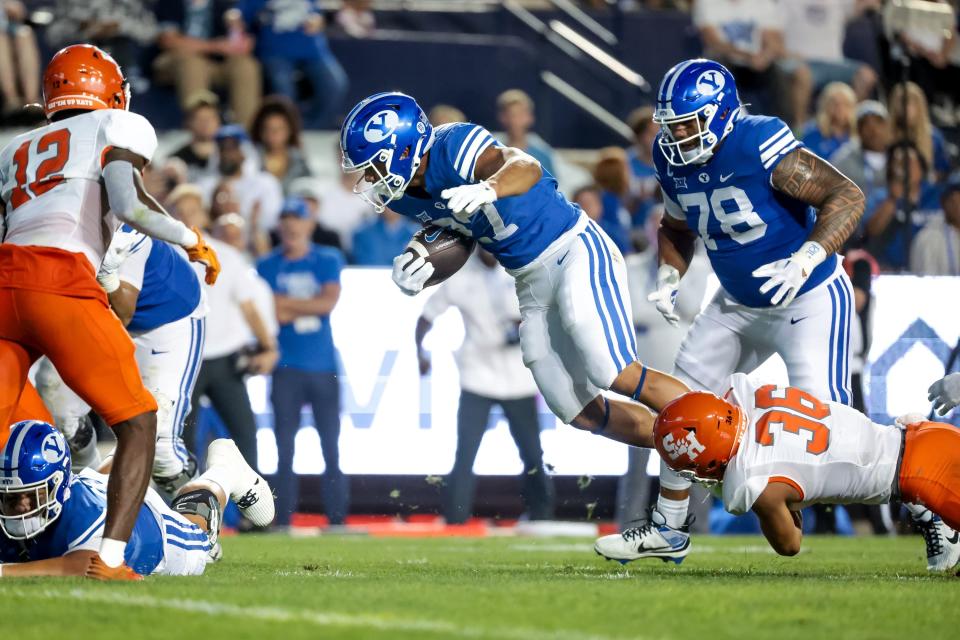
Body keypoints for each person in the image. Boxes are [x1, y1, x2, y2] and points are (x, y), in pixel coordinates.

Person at [340, 92, 690, 493]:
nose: (368, 178)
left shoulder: (452, 145)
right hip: (530, 280)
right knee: (577, 410)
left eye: (373, 165)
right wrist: (419, 259)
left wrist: (489, 188)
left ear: (401, 148)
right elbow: (459, 230)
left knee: (612, 370)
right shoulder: (402, 197)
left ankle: (725, 435)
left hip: (572, 247)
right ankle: (688, 450)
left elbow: (525, 165)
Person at [0, 45, 220, 580]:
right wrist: (191, 238)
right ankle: (112, 558)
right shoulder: (118, 124)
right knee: (137, 421)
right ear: (113, 92)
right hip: (60, 283)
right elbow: (128, 202)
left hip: (5, 285)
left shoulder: (13, 146)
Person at [638, 58, 864, 562]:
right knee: (681, 404)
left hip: (806, 297)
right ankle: (669, 526)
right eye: (670, 125)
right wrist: (669, 273)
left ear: (719, 115)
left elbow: (846, 195)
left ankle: (928, 509)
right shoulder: (670, 156)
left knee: (830, 431)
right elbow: (676, 227)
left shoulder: (757, 141)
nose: (675, 135)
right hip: (737, 301)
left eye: (686, 123)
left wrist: (808, 257)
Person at [597, 374, 960, 571]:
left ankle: (931, 513)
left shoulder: (755, 479)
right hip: (915, 435)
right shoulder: (751, 397)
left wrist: (776, 498)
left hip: (923, 474)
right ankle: (929, 515)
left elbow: (789, 545)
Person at [36, 223, 209, 500]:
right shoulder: (46, 222)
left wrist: (105, 273)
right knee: (60, 410)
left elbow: (123, 309)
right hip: (95, 316)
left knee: (160, 444)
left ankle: (200, 521)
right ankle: (85, 494)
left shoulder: (123, 230)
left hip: (164, 321)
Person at [0, 420, 274, 578]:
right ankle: (140, 440)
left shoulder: (85, 516)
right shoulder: (37, 499)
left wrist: (5, 572)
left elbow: (87, 565)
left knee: (197, 537)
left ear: (57, 485)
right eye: (10, 497)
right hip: (93, 484)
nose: (20, 505)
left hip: (148, 529)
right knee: (103, 478)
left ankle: (224, 470)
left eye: (31, 495)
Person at [416, 249, 555, 524]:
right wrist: (419, 352)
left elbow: (547, 313)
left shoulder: (522, 269)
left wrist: (526, 326)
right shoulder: (460, 276)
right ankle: (455, 519)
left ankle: (542, 517)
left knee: (532, 453)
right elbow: (426, 316)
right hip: (477, 376)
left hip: (519, 377)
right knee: (466, 452)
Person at [171, 185, 278, 471]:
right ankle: (184, 508)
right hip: (181, 361)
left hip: (223, 359)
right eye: (179, 212)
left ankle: (252, 509)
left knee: (244, 432)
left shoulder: (227, 255)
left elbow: (249, 306)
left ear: (204, 214)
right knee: (180, 439)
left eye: (192, 211)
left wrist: (269, 346)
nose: (186, 217)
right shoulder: (162, 254)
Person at [257, 197, 347, 527]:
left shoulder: (328, 257)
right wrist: (303, 304)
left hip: (322, 367)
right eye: (287, 220)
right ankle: (282, 519)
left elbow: (327, 303)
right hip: (286, 368)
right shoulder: (267, 264)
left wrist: (284, 304)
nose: (292, 226)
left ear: (310, 224)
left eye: (298, 220)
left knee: (331, 447)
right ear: (280, 226)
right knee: (283, 449)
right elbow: (270, 311)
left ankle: (337, 519)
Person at [691, 0, 804, 127]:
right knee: (717, 67)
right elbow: (713, 42)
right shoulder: (707, 3)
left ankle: (786, 128)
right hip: (726, 61)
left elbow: (770, 39)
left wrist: (765, 57)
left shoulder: (762, 4)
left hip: (756, 62)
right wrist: (747, 56)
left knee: (780, 72)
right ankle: (720, 125)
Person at [239, 0, 348, 128]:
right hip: (275, 52)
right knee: (284, 91)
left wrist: (318, 20)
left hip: (312, 51)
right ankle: (287, 131)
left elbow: (316, 14)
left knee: (335, 84)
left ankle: (309, 128)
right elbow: (242, 17)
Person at [153, 1, 262, 127]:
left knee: (246, 66)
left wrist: (237, 33)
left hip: (216, 63)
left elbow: (244, 43)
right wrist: (215, 46)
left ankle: (245, 135)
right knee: (193, 65)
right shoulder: (170, 4)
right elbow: (169, 41)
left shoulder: (225, 5)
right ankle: (199, 132)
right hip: (174, 60)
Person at [198, 124, 284, 256]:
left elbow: (272, 223)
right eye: (222, 149)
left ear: (245, 151)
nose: (227, 154)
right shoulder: (205, 185)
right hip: (213, 248)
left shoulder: (265, 183)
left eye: (232, 148)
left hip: (255, 249)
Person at [780, 0, 879, 107]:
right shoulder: (787, 2)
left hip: (836, 63)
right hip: (804, 63)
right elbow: (774, 35)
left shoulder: (838, 2)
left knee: (866, 76)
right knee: (803, 74)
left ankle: (850, 119)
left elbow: (866, 4)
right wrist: (789, 55)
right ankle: (800, 123)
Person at [863, 142, 941, 271]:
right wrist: (892, 200)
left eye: (908, 162)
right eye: (897, 163)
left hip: (932, 272)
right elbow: (870, 232)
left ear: (921, 168)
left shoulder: (937, 196)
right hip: (889, 272)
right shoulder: (880, 197)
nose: (903, 168)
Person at [888, 82, 951, 180]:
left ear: (920, 106)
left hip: (926, 190)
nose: (904, 108)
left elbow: (942, 172)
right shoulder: (886, 135)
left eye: (909, 102)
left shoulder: (934, 137)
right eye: (900, 102)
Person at [831, 100, 891, 201]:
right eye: (866, 124)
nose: (874, 130)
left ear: (887, 127)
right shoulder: (844, 161)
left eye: (878, 123)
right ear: (858, 130)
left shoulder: (899, 157)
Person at [250, 95, 313, 192]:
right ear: (261, 132)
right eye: (269, 129)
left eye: (279, 129)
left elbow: (310, 189)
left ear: (290, 130)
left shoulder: (299, 160)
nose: (274, 135)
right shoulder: (251, 158)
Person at [496, 90, 557, 178]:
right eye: (512, 115)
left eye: (521, 115)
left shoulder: (542, 156)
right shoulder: (491, 153)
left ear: (530, 118)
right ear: (502, 117)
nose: (516, 121)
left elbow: (551, 188)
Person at [169, 90, 222, 182]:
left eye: (210, 118)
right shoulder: (176, 160)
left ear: (218, 121)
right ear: (188, 123)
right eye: (199, 119)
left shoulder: (231, 155)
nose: (205, 124)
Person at [910, 179, 960, 275]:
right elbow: (928, 282)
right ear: (944, 204)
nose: (957, 207)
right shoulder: (928, 238)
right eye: (953, 202)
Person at [800, 82, 857, 161]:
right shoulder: (812, 133)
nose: (840, 108)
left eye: (845, 104)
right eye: (835, 103)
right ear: (825, 105)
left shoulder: (858, 136)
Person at [350, 207, 421, 266]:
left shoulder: (418, 234)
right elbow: (361, 265)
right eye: (386, 198)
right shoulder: (362, 233)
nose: (391, 205)